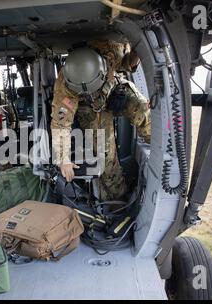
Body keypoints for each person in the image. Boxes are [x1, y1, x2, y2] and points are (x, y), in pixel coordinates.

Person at [50, 39, 151, 201]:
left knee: (141, 107)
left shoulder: (112, 51)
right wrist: (64, 159)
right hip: (87, 108)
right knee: (105, 157)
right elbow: (60, 123)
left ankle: (155, 141)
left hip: (111, 88)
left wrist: (136, 54)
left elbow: (127, 63)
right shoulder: (66, 86)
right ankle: (114, 199)